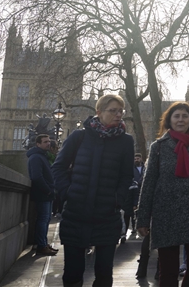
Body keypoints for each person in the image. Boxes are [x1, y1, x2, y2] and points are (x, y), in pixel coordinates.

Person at [136, 102, 189, 287]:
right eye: (176, 116)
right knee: (168, 272)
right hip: (166, 214)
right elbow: (149, 183)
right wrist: (143, 219)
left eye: (185, 116)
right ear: (169, 120)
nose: (181, 120)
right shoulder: (158, 147)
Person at [51, 94, 134, 287]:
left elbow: (126, 176)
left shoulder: (125, 141)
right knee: (72, 273)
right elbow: (58, 167)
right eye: (113, 110)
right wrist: (67, 193)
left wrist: (117, 200)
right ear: (99, 112)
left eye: (121, 111)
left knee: (104, 274)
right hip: (75, 214)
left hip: (107, 215)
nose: (118, 115)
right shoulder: (79, 136)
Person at [28, 133, 57, 256]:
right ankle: (41, 245)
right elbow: (37, 177)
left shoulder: (43, 157)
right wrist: (48, 190)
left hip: (47, 194)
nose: (48, 143)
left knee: (46, 219)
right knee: (43, 219)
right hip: (42, 194)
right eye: (45, 142)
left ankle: (44, 243)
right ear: (38, 144)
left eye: (49, 141)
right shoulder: (36, 157)